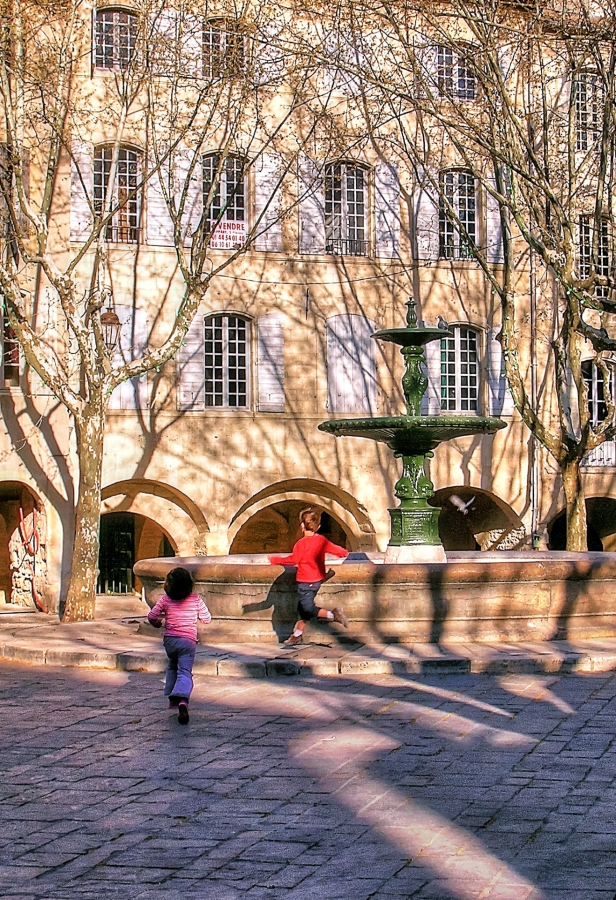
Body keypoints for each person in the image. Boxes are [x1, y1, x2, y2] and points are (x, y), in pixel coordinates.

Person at [269, 508, 349, 646]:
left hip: (306, 582)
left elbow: (294, 559)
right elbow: (341, 552)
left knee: (307, 609)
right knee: (302, 610)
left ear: (301, 526)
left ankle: (333, 615)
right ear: (317, 526)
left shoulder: (301, 543)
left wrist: (276, 560)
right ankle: (297, 635)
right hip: (316, 580)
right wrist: (343, 553)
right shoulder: (322, 540)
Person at [147, 566, 211, 724]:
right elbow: (207, 618)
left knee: (172, 666)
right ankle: (182, 699)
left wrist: (158, 622)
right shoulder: (195, 599)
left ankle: (172, 695)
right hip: (187, 641)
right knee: (184, 671)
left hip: (170, 641)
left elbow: (152, 616)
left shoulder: (165, 600)